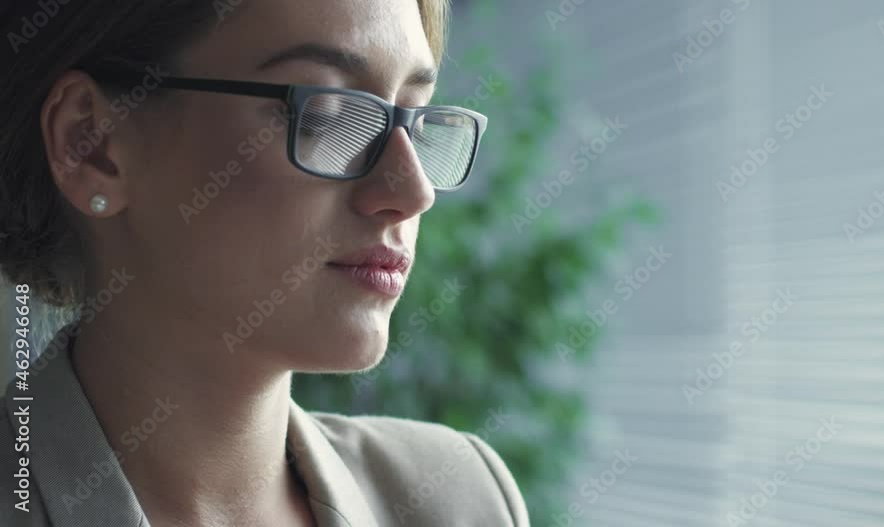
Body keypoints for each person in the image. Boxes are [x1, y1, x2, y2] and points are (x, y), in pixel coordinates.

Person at [0, 1, 528, 525]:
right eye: (329, 115)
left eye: (415, 118)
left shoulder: (460, 499)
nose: (412, 191)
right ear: (90, 144)